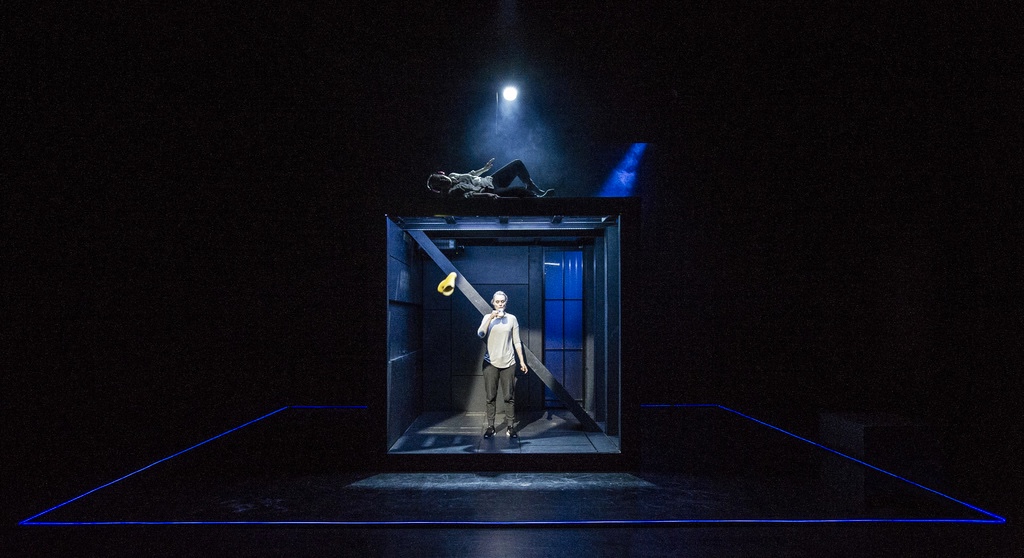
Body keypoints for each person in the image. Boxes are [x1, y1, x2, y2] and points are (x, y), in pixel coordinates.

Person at [476, 290, 528, 438]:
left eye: (502, 301)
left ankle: (510, 427)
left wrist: (522, 361)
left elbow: (516, 341)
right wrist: (490, 317)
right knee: (490, 396)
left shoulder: (512, 319)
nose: (500, 304)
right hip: (490, 363)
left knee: (509, 396)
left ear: (506, 302)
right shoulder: (487, 317)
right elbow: (480, 333)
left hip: (508, 362)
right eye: (497, 301)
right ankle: (491, 426)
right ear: (493, 302)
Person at [427, 159, 554, 198]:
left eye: (441, 177)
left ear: (442, 174)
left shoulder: (453, 175)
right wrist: (488, 195)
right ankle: (537, 199)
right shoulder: (452, 192)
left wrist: (484, 168)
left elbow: (471, 175)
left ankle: (531, 186)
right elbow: (471, 196)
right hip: (490, 190)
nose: (443, 180)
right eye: (440, 183)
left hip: (491, 180)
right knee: (520, 191)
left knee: (517, 164)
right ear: (439, 188)